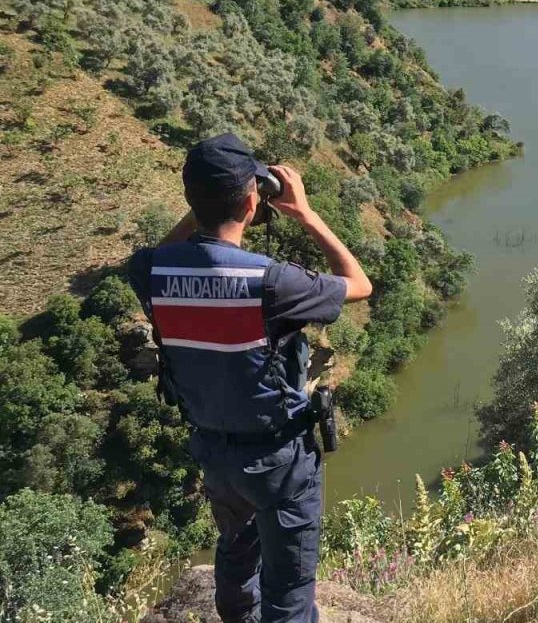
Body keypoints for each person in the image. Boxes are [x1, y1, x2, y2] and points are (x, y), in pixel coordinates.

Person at [128, 133, 373, 622]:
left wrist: (205, 205)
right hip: (278, 457)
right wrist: (305, 213)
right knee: (289, 583)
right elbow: (359, 283)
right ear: (250, 200)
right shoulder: (271, 281)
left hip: (214, 451)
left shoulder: (149, 271)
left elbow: (166, 251)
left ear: (191, 200)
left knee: (236, 550)